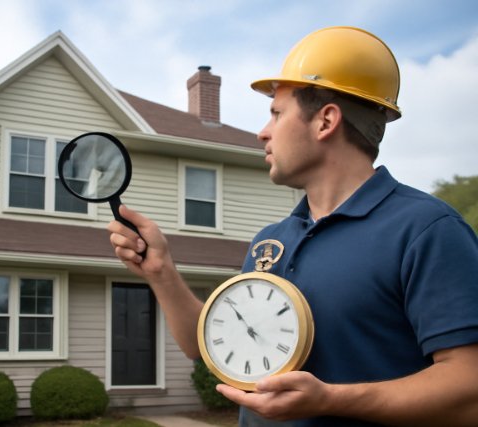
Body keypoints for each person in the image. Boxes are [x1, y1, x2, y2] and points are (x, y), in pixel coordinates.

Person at [107, 26, 478, 426]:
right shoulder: (271, 241)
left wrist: (330, 400)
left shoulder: (426, 230)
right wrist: (160, 272)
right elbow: (210, 346)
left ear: (325, 121)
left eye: (277, 113)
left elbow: (468, 390)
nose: (262, 132)